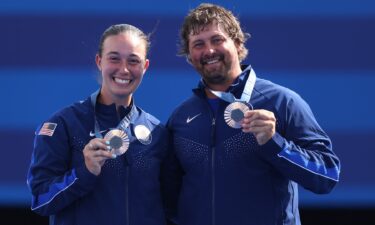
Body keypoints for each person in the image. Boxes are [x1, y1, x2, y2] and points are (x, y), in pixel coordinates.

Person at [162, 3, 341, 225]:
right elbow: (167, 195)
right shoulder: (181, 117)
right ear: (190, 56)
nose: (209, 51)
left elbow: (327, 176)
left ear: (237, 44)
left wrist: (275, 143)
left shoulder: (282, 102)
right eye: (198, 44)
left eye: (217, 40)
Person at [27, 24, 169, 225]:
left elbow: (171, 205)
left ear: (145, 67)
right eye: (114, 58)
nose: (124, 69)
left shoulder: (158, 133)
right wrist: (84, 172)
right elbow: (40, 200)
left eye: (133, 61)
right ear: (99, 61)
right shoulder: (64, 125)